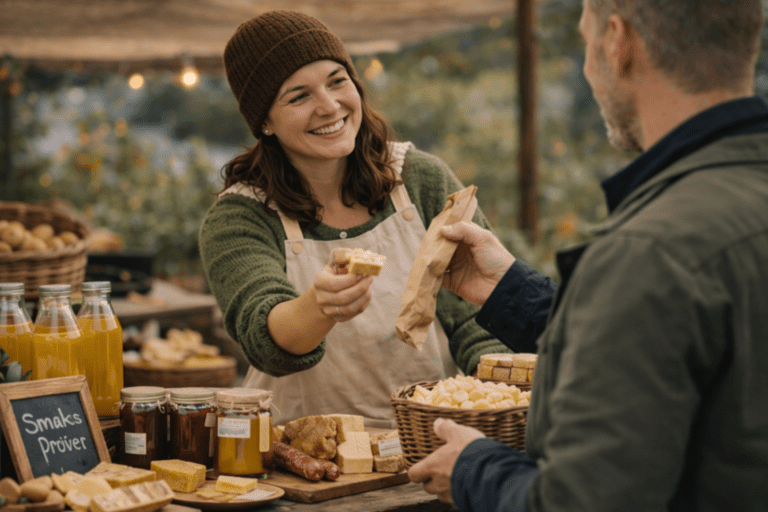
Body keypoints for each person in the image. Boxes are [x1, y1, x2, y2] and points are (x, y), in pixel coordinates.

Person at [408, 0, 768, 510]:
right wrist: (511, 292)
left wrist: (475, 469)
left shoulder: (651, 252)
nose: (587, 66)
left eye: (585, 42)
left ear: (617, 42)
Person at [199, 10, 516, 428]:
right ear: (264, 123)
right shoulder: (240, 217)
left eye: (337, 81)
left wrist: (494, 406)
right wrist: (319, 307)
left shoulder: (420, 180)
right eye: (298, 97)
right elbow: (265, 335)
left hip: (428, 444)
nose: (329, 107)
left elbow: (481, 319)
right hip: (300, 456)